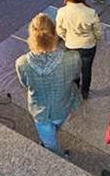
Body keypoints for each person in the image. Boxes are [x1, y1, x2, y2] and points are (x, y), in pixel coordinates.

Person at [15, 13, 81, 157]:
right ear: (55, 34)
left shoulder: (22, 63)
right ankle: (57, 152)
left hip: (40, 111)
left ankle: (57, 156)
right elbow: (76, 76)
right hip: (63, 106)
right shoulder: (73, 58)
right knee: (57, 125)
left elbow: (25, 84)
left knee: (50, 143)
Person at [56, 0, 102, 99]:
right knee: (87, 70)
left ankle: (75, 88)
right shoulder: (91, 12)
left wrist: (66, 38)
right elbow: (98, 31)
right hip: (88, 46)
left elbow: (59, 30)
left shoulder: (62, 11)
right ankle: (85, 92)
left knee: (73, 69)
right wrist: (96, 39)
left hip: (71, 45)